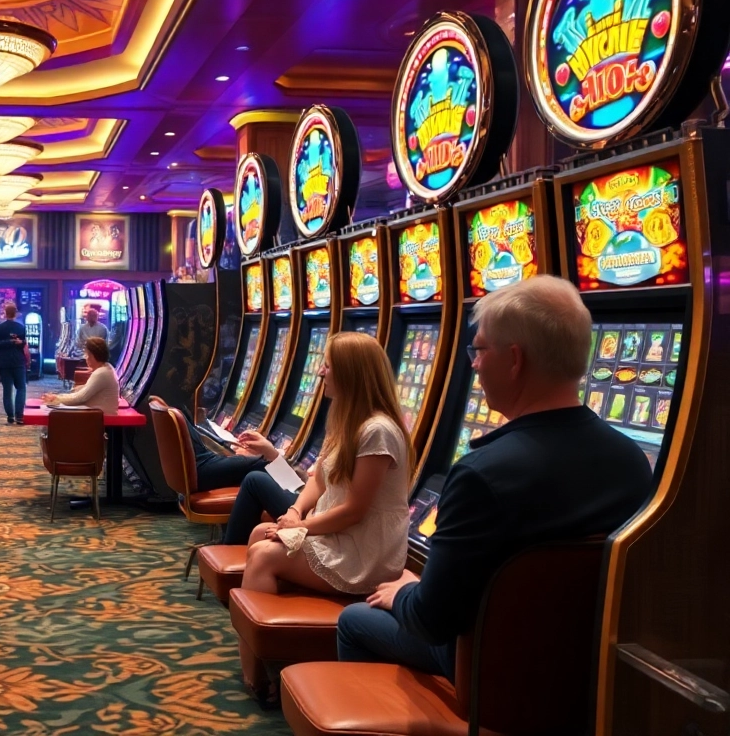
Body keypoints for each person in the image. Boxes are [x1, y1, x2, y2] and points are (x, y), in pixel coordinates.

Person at [336, 276, 654, 681]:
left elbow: (430, 621)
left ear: (515, 359)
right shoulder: (631, 461)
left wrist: (403, 593)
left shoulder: (482, 474)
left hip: (492, 672)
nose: (474, 363)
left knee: (354, 620)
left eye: (480, 349)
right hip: (588, 672)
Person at [240, 332, 412, 597]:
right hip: (338, 535)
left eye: (328, 365)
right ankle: (273, 630)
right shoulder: (346, 421)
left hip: (362, 552)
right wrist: (295, 511)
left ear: (350, 373)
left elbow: (355, 511)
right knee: (260, 533)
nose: (320, 372)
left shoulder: (378, 430)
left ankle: (259, 637)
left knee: (264, 555)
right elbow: (318, 479)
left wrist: (300, 527)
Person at [41, 337, 119, 414]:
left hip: (101, 419)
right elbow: (85, 393)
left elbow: (80, 398)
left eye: (86, 354)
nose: (85, 357)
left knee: (57, 415)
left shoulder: (101, 373)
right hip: (99, 414)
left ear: (93, 355)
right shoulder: (106, 368)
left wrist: (56, 398)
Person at [0, 302, 28, 424]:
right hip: (18, 361)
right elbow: (24, 343)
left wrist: (9, 342)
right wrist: (15, 342)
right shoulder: (21, 327)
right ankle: (19, 416)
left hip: (4, 361)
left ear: (5, 313)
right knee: (21, 388)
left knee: (7, 390)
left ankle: (10, 416)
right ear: (16, 313)